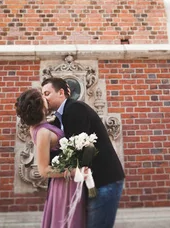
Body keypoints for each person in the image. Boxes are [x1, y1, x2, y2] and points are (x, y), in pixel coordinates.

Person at [42, 77, 125, 228]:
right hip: (88, 184)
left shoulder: (75, 109)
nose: (44, 98)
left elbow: (78, 150)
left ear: (61, 92)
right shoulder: (57, 120)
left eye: (47, 93)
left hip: (103, 181)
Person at [15, 88, 86, 228]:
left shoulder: (42, 125)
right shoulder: (42, 132)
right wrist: (74, 171)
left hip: (68, 180)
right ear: (39, 105)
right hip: (64, 185)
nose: (46, 97)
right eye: (43, 95)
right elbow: (43, 170)